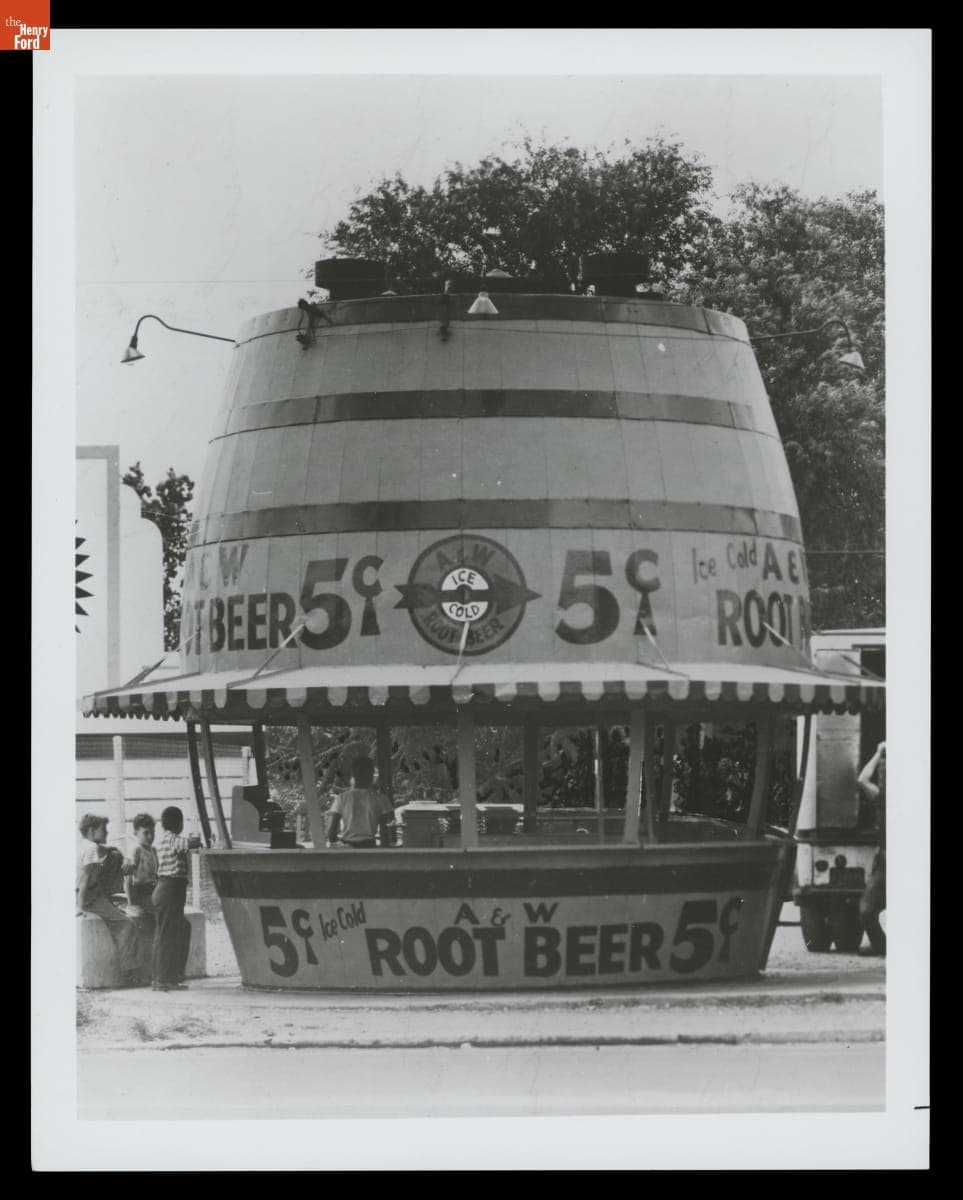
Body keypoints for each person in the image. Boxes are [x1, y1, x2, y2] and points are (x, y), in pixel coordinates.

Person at [76, 814, 143, 985]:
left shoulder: (85, 845)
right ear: (92, 831)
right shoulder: (91, 849)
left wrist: (120, 853)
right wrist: (80, 906)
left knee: (114, 854)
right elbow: (85, 878)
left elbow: (111, 851)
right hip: (90, 897)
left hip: (94, 894)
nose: (106, 832)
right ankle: (129, 975)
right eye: (103, 829)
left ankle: (112, 901)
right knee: (126, 925)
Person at [152, 806, 201, 991]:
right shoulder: (172, 839)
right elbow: (187, 844)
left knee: (173, 931)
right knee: (168, 935)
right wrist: (197, 841)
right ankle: (164, 979)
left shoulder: (162, 839)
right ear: (178, 824)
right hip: (170, 889)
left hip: (165, 889)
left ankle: (166, 977)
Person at [856, 741, 886, 956]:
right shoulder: (884, 799)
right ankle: (882, 946)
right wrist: (878, 753)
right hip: (885, 865)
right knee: (866, 910)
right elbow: (862, 780)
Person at [327, 756, 396, 849]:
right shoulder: (381, 799)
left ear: (353, 775)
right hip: (369, 847)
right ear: (371, 775)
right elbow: (386, 832)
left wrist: (343, 847)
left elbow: (331, 834)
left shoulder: (342, 798)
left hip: (347, 848)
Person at [126, 813, 158, 922]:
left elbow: (156, 874)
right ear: (136, 833)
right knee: (157, 909)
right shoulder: (136, 851)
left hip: (153, 889)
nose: (150, 836)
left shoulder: (154, 850)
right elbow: (128, 879)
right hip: (140, 891)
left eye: (152, 833)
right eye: (146, 833)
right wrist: (130, 903)